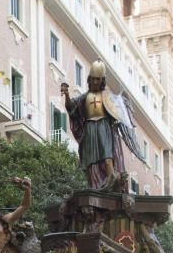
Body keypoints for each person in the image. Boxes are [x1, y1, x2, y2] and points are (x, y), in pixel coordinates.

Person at [61, 60, 144, 191]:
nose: (95, 82)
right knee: (91, 160)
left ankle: (112, 177)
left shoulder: (107, 96)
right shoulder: (84, 97)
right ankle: (94, 186)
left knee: (107, 155)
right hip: (89, 128)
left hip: (104, 127)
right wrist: (66, 95)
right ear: (89, 79)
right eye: (93, 79)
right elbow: (71, 107)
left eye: (98, 80)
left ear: (102, 80)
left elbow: (117, 111)